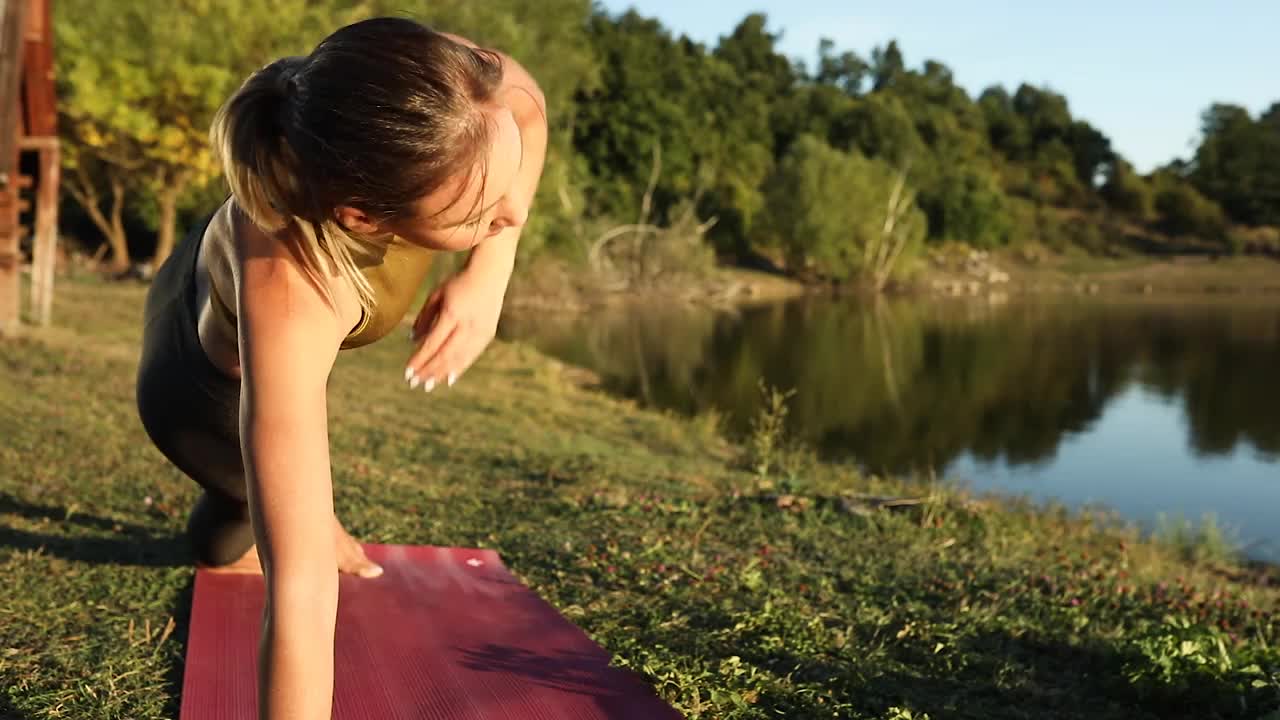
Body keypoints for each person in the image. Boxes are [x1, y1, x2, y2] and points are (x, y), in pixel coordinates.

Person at [134, 17, 546, 719]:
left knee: (295, 508)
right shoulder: (292, 287)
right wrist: (309, 525)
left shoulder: (454, 94)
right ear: (361, 217)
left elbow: (527, 109)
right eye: (480, 212)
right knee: (246, 535)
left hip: (217, 275)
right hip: (198, 394)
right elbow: (299, 597)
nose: (511, 212)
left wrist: (492, 269)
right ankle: (227, 519)